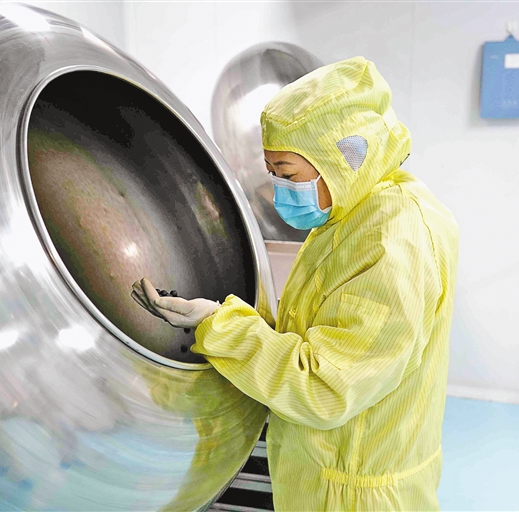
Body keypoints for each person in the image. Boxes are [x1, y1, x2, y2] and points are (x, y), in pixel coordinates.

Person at [132, 56, 459, 511]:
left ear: (344, 157)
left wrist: (221, 328)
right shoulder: (350, 217)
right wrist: (224, 317)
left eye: (287, 174)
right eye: (272, 173)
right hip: (322, 478)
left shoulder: (394, 240)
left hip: (355, 497)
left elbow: (325, 387)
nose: (278, 190)